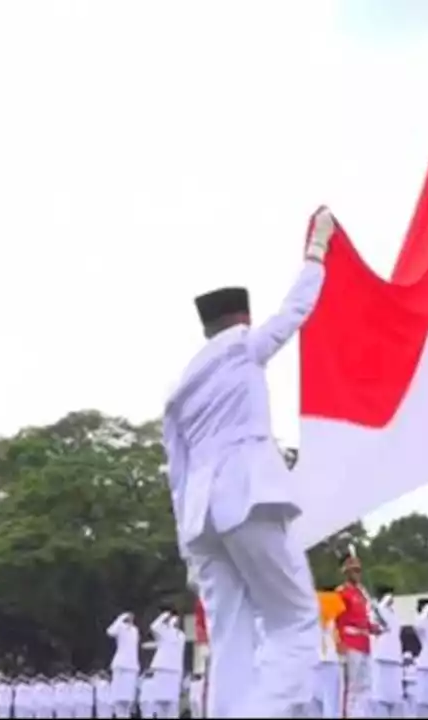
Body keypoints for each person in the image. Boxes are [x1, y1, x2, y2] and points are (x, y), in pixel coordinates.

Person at [160, 207, 334, 717]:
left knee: (231, 639)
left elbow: (177, 472)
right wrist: (316, 253)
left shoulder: (180, 388)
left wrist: (188, 546)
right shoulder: (243, 348)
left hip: (199, 519)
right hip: (247, 495)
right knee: (296, 619)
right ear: (241, 319)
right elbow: (296, 311)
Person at [335, 552, 378, 717]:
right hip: (350, 643)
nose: (357, 574)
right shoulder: (341, 592)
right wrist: (340, 642)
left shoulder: (361, 593)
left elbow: (362, 618)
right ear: (346, 571)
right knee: (352, 687)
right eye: (354, 570)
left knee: (365, 685)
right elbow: (336, 620)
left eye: (359, 570)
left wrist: (372, 627)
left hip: (364, 642)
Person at [369, 587, 404, 718]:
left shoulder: (393, 613)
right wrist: (380, 604)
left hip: (394, 656)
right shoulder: (376, 611)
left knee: (395, 697)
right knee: (380, 697)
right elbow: (376, 622)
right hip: (381, 656)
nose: (391, 599)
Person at [148, 609, 185, 719]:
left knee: (173, 703)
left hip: (175, 671)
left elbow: (181, 655)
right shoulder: (164, 631)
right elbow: (154, 626)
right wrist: (165, 615)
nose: (176, 622)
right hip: (162, 668)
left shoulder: (181, 636)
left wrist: (181, 675)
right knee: (159, 702)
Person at [105, 611, 139, 718]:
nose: (130, 620)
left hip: (131, 666)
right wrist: (120, 618)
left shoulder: (134, 630)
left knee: (128, 700)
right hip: (120, 665)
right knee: (118, 699)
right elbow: (110, 632)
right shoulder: (120, 627)